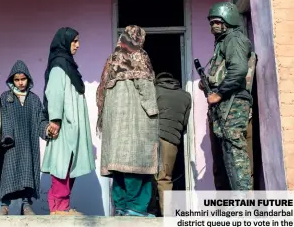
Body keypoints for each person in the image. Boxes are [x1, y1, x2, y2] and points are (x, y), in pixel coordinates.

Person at [96, 25, 159, 218]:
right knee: (136, 162)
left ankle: (121, 207)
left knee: (119, 167)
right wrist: (153, 112)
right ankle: (136, 207)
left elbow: (101, 93)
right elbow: (145, 87)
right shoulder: (138, 55)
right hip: (134, 120)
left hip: (114, 123)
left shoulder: (112, 59)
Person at [201, 2, 256, 191]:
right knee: (226, 155)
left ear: (228, 21)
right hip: (226, 104)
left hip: (233, 102)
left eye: (217, 21)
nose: (213, 26)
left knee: (235, 153)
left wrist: (219, 93)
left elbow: (238, 70)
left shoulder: (234, 39)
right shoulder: (223, 42)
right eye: (211, 23)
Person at [41, 27, 95, 216]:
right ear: (64, 42)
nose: (78, 45)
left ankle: (63, 207)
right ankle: (57, 208)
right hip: (63, 126)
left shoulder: (68, 65)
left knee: (69, 166)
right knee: (61, 166)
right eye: (74, 41)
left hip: (73, 126)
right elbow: (54, 93)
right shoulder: (59, 65)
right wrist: (55, 120)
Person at [0, 60, 50, 215]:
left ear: (28, 79)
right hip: (9, 145)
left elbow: (40, 120)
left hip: (28, 144)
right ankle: (4, 205)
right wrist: (7, 136)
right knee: (7, 172)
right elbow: (4, 118)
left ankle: (26, 205)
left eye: (23, 79)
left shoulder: (34, 100)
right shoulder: (5, 98)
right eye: (17, 80)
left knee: (27, 172)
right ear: (12, 80)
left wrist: (46, 129)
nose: (20, 83)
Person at [150, 72, 191, 216]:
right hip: (171, 141)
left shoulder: (155, 91)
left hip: (152, 137)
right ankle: (167, 216)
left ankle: (150, 212)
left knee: (148, 176)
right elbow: (185, 122)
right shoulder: (186, 96)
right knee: (165, 178)